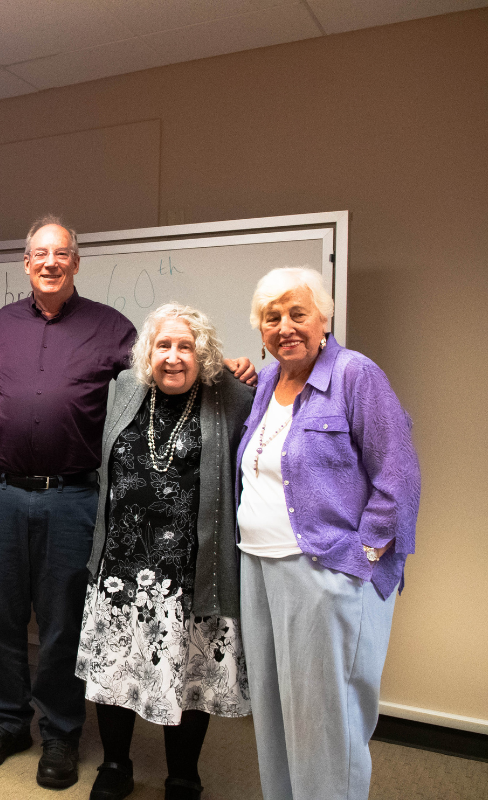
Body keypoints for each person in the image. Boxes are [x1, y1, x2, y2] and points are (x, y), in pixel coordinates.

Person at [0, 216, 256, 790]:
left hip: (70, 495)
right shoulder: (0, 324)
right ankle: (7, 722)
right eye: (39, 254)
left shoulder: (113, 328)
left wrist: (232, 372)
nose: (50, 263)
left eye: (61, 254)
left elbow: (168, 370)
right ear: (26, 264)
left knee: (62, 624)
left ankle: (60, 731)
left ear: (76, 262)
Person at [236, 267, 420, 800]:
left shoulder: (354, 374)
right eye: (272, 318)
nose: (285, 326)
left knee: (327, 721)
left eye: (298, 313)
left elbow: (399, 473)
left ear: (325, 317)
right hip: (259, 567)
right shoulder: (270, 381)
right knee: (274, 715)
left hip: (323, 570)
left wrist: (363, 553)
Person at [76, 304, 254, 800]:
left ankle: (183, 774)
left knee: (191, 676)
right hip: (121, 569)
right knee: (113, 671)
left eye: (186, 346)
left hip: (191, 572)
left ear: (205, 354)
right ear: (146, 352)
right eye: (163, 345)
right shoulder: (123, 392)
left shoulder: (233, 398)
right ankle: (115, 765)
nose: (173, 357)